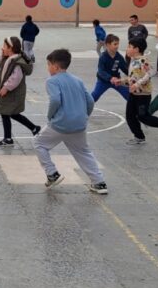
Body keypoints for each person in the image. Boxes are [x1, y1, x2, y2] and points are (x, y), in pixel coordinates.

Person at [35, 48, 109, 194]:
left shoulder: (52, 81)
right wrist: (84, 116)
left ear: (55, 66)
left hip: (61, 123)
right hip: (79, 124)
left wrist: (50, 116)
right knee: (83, 152)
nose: (48, 68)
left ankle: (52, 174)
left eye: (49, 65)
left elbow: (55, 100)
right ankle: (99, 183)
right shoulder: (77, 80)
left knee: (39, 143)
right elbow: (90, 101)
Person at [124, 38, 158, 144]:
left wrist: (137, 84)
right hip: (133, 94)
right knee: (130, 116)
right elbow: (133, 76)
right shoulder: (133, 60)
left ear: (136, 49)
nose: (127, 49)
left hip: (143, 95)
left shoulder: (142, 60)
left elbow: (150, 73)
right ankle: (139, 136)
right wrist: (122, 81)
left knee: (143, 116)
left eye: (129, 47)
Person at [0, 36, 39, 146]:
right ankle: (34, 128)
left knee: (6, 113)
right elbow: (1, 65)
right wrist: (2, 55)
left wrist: (6, 87)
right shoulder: (10, 58)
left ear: (11, 48)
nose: (3, 48)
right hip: (11, 92)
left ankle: (8, 138)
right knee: (12, 113)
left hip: (13, 92)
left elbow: (16, 77)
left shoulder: (16, 61)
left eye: (5, 46)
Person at [91, 34, 130, 104]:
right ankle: (83, 106)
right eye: (115, 44)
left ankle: (136, 109)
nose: (117, 46)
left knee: (129, 95)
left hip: (116, 81)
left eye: (118, 44)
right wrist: (110, 78)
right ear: (108, 45)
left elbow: (125, 69)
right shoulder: (103, 57)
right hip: (103, 81)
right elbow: (101, 71)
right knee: (94, 96)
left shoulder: (119, 57)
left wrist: (134, 74)